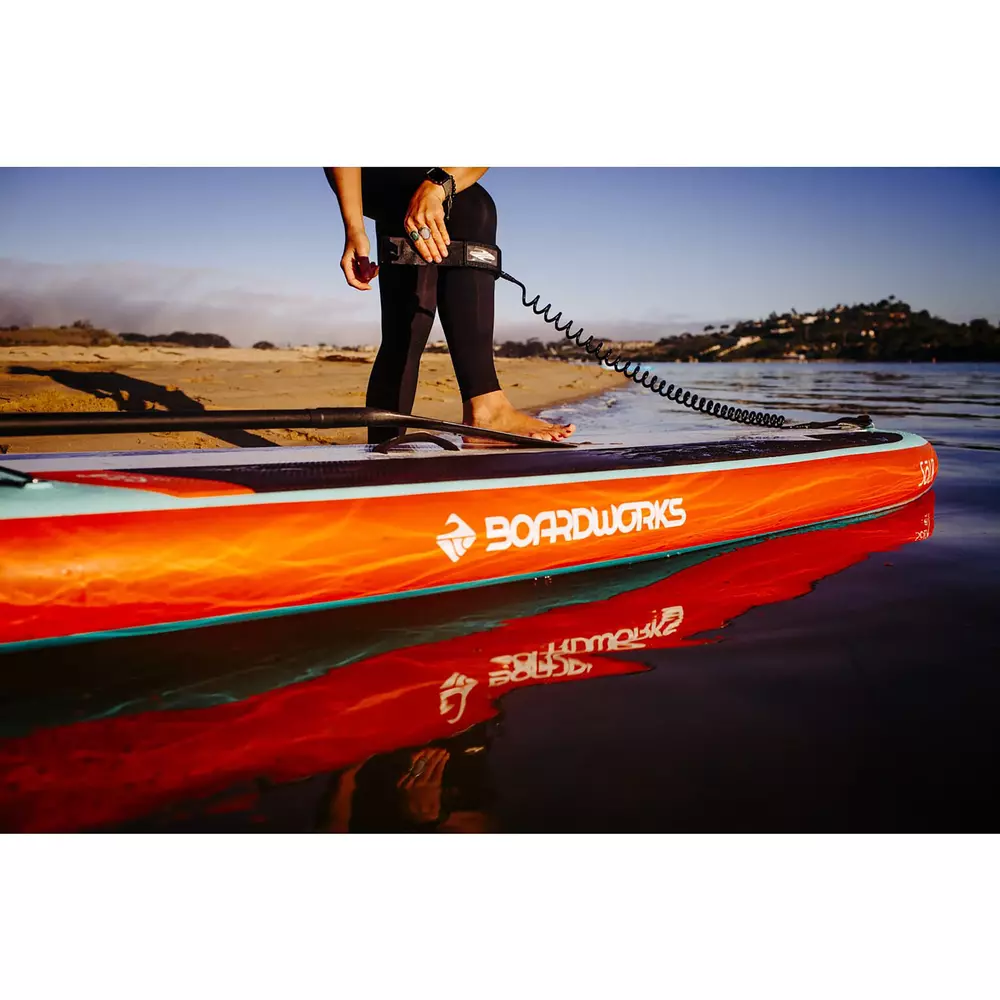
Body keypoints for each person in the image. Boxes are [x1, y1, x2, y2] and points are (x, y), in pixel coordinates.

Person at [324, 167, 575, 443]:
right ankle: (487, 409)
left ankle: (384, 444)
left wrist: (436, 187)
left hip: (428, 177)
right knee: (471, 205)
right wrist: (354, 228)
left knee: (408, 323)